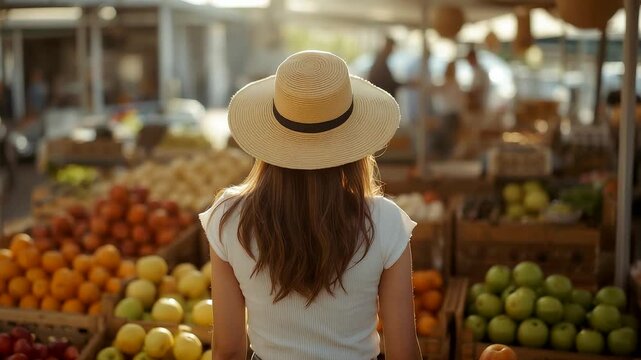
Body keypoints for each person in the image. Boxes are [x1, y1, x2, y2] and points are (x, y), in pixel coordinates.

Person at [200, 51, 421, 360]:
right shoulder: (385, 221)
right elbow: (403, 354)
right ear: (355, 141)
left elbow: (228, 350)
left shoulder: (228, 217)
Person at [429, 61, 465, 158]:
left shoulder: (450, 84)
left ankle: (445, 157)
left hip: (449, 115)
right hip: (451, 114)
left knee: (447, 139)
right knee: (448, 139)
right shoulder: (454, 84)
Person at [466, 48, 490, 113]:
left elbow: (478, 89)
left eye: (469, 59)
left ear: (474, 58)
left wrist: (468, 94)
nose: (468, 61)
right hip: (479, 104)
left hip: (480, 104)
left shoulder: (480, 71)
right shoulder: (476, 70)